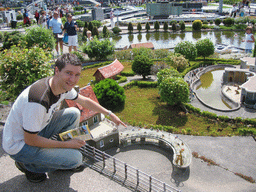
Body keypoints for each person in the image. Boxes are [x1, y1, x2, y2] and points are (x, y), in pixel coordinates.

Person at [2, 53, 126, 183]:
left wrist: (110, 114)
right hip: (20, 145)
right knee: (76, 159)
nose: (73, 79)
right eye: (68, 73)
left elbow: (84, 101)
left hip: (35, 130)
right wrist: (66, 144)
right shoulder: (38, 101)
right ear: (57, 70)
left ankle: (60, 157)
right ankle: (29, 166)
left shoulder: (61, 86)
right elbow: (30, 140)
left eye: (77, 75)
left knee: (73, 113)